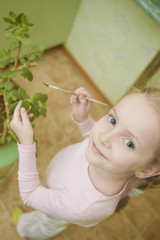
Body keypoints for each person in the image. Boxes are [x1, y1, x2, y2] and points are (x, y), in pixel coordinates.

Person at [10, 86, 160, 240]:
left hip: (59, 209)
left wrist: (26, 143)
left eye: (129, 143)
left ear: (147, 169)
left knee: (48, 222)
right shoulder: (106, 157)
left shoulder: (80, 207)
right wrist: (83, 119)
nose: (104, 138)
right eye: (113, 120)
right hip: (58, 190)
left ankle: (28, 230)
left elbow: (30, 194)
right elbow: (92, 138)